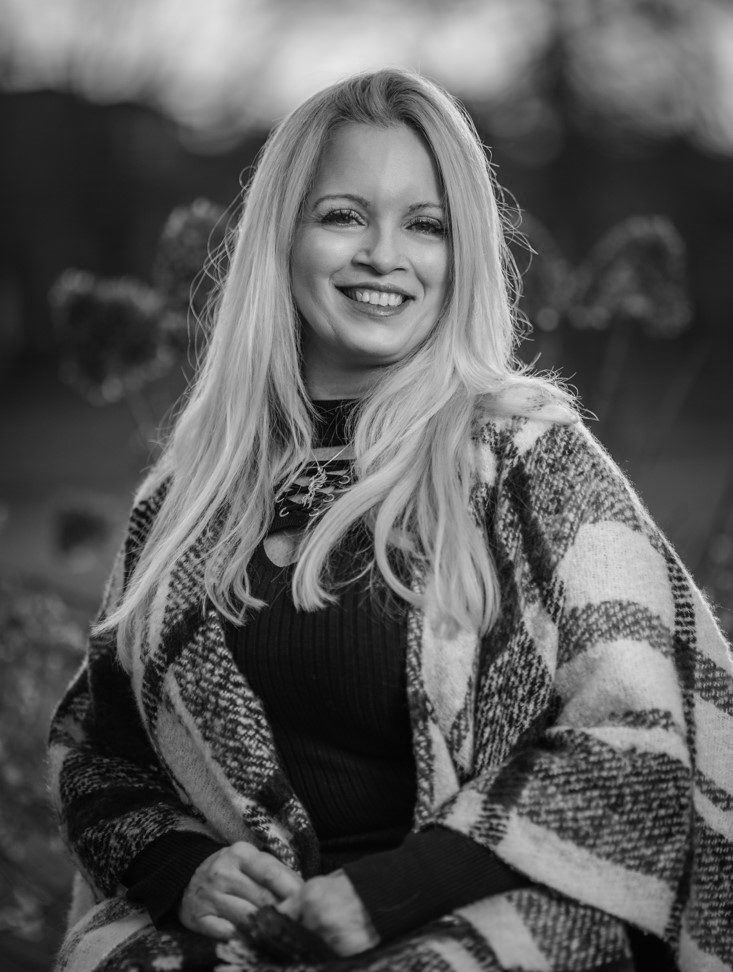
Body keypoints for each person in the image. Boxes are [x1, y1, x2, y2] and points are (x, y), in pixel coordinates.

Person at [48, 69, 733, 972]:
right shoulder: (188, 497)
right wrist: (186, 869)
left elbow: (631, 744)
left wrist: (389, 895)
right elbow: (99, 754)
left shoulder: (526, 459)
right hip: (241, 939)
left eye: (426, 224)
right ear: (281, 237)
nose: (384, 254)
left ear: (464, 253)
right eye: (341, 216)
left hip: (495, 918)